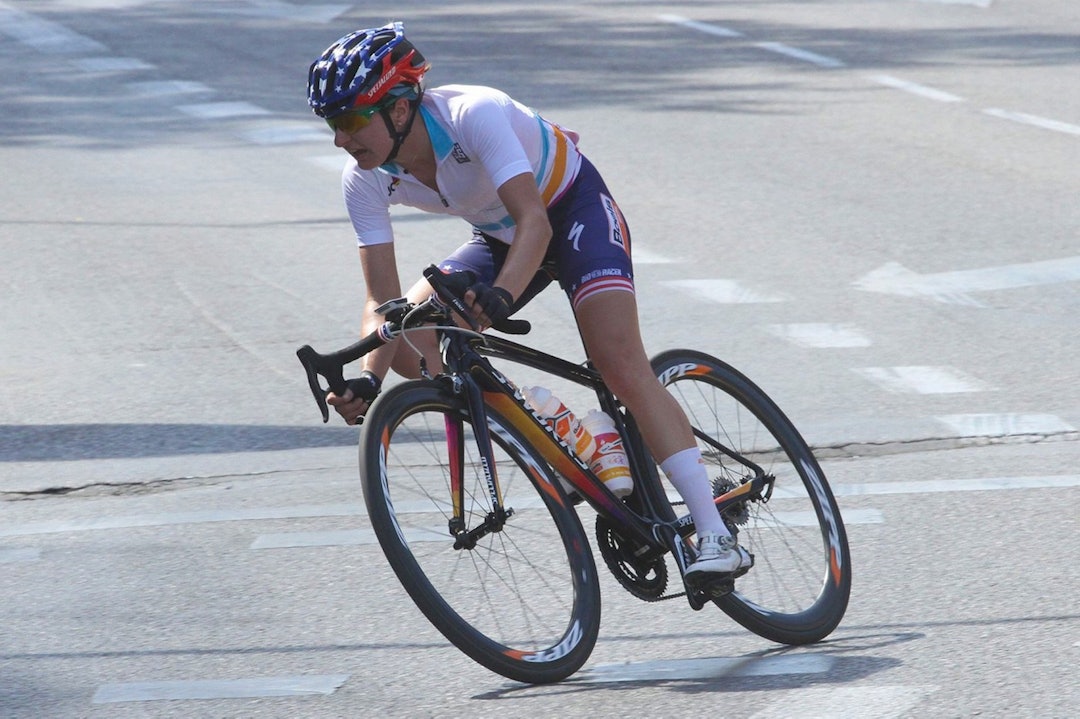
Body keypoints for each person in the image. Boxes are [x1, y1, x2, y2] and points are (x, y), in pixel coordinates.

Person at [306, 22, 751, 580]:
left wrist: (501, 296)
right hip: (498, 237)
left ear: (398, 108)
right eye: (332, 124)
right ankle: (569, 429)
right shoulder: (365, 178)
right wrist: (369, 380)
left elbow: (534, 222)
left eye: (349, 121)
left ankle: (713, 535)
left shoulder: (474, 114)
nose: (340, 139)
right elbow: (382, 298)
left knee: (617, 361)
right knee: (411, 339)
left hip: (568, 211)